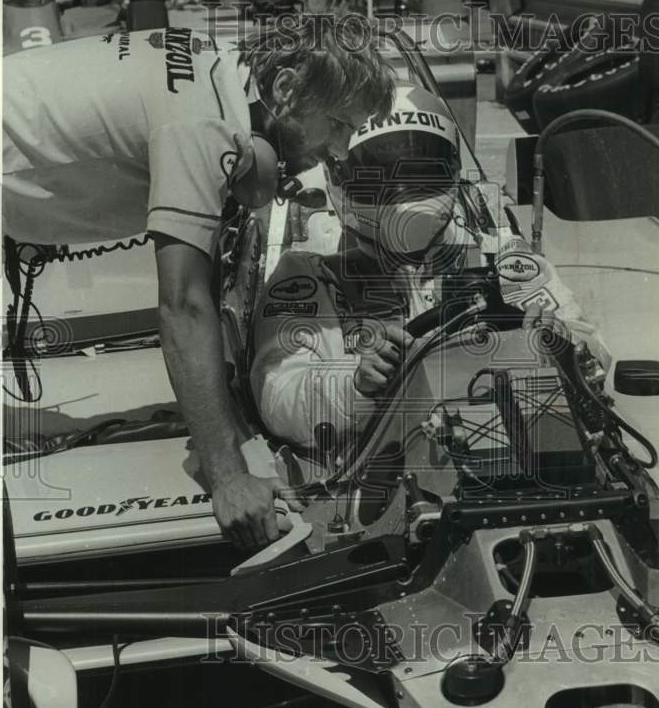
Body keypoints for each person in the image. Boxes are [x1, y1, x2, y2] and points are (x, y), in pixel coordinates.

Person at [3, 15, 395, 550]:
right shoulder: (205, 126)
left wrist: (227, 425)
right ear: (285, 90)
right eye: (338, 124)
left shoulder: (219, 67)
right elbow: (183, 304)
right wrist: (227, 475)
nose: (342, 149)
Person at [251, 84, 610, 449]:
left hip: (512, 453)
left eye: (421, 174)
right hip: (380, 477)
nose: (405, 191)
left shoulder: (498, 257)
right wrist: (355, 383)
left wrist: (560, 348)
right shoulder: (309, 276)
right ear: (340, 178)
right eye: (384, 179)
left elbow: (592, 349)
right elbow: (275, 394)